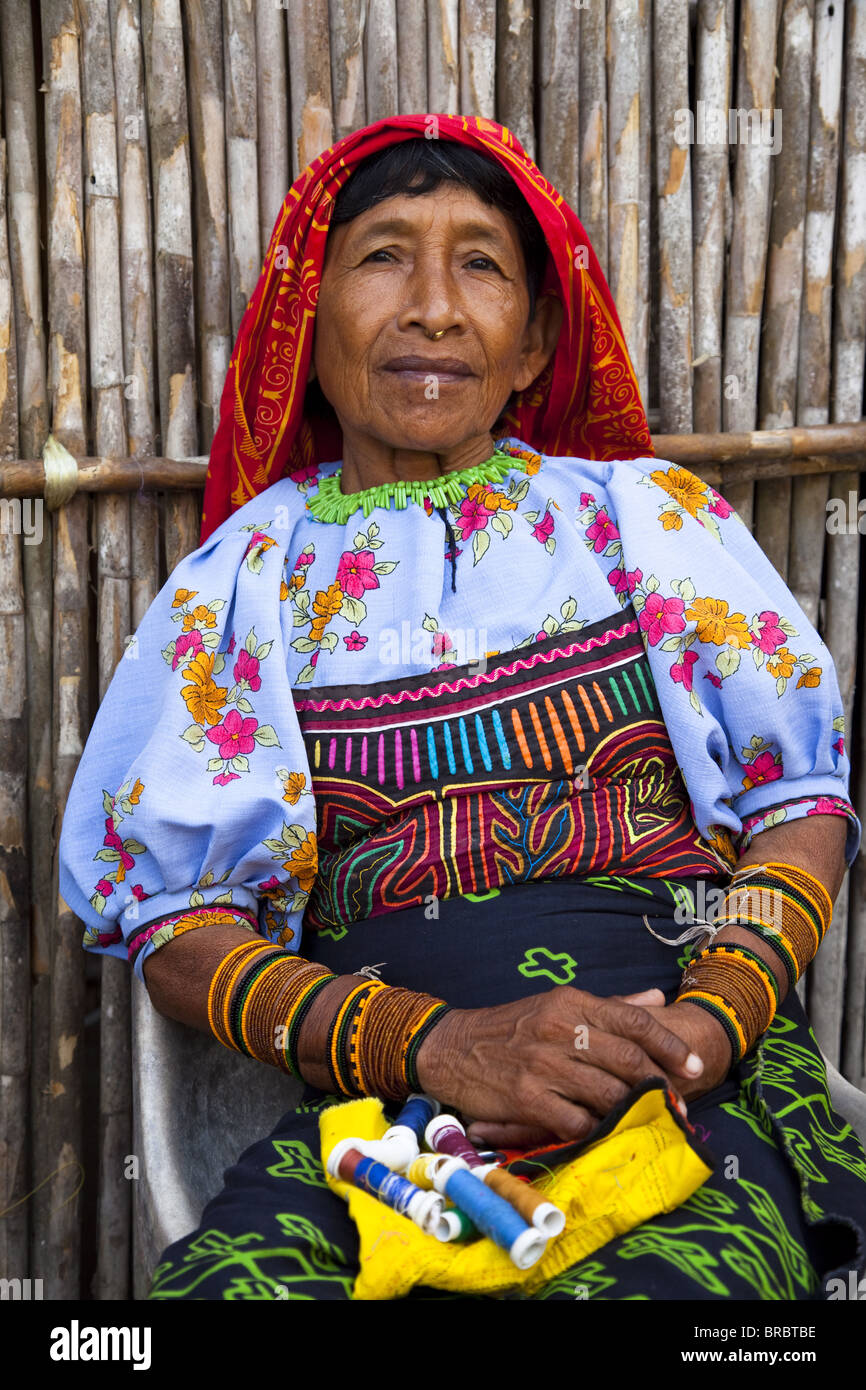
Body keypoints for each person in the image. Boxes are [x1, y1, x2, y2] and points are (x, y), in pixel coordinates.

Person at [59, 114, 866, 1301]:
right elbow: (177, 927)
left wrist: (719, 1011)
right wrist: (434, 1048)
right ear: (308, 319)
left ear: (535, 339)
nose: (432, 306)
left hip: (679, 1091)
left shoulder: (638, 523)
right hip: (383, 1130)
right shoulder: (246, 580)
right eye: (383, 255)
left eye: (480, 263)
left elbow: (798, 800)